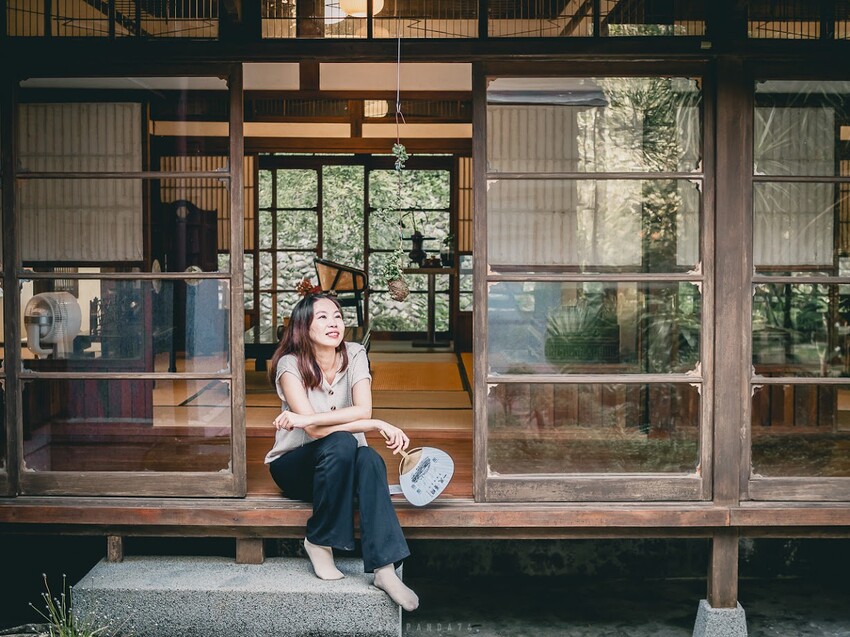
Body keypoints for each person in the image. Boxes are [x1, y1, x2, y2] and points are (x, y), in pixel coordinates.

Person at [264, 292, 419, 612]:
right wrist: (373, 423)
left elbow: (363, 407)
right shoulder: (289, 364)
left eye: (337, 315)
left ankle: (384, 570)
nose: (333, 322)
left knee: (371, 459)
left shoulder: (356, 353)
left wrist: (311, 417)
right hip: (295, 465)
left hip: (342, 464)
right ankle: (319, 540)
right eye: (322, 317)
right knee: (345, 441)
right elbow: (316, 432)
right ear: (303, 327)